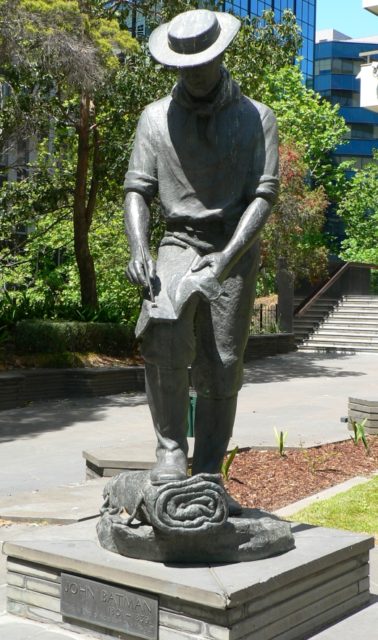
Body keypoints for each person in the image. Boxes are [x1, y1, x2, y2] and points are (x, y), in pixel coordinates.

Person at [124, 9, 279, 492]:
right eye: (182, 67)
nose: (191, 75)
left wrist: (228, 257)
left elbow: (264, 194)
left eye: (201, 65)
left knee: (223, 361)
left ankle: (209, 467)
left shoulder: (256, 117)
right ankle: (170, 452)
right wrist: (138, 246)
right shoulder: (154, 118)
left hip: (233, 244)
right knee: (162, 332)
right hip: (177, 240)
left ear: (220, 57)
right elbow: (137, 190)